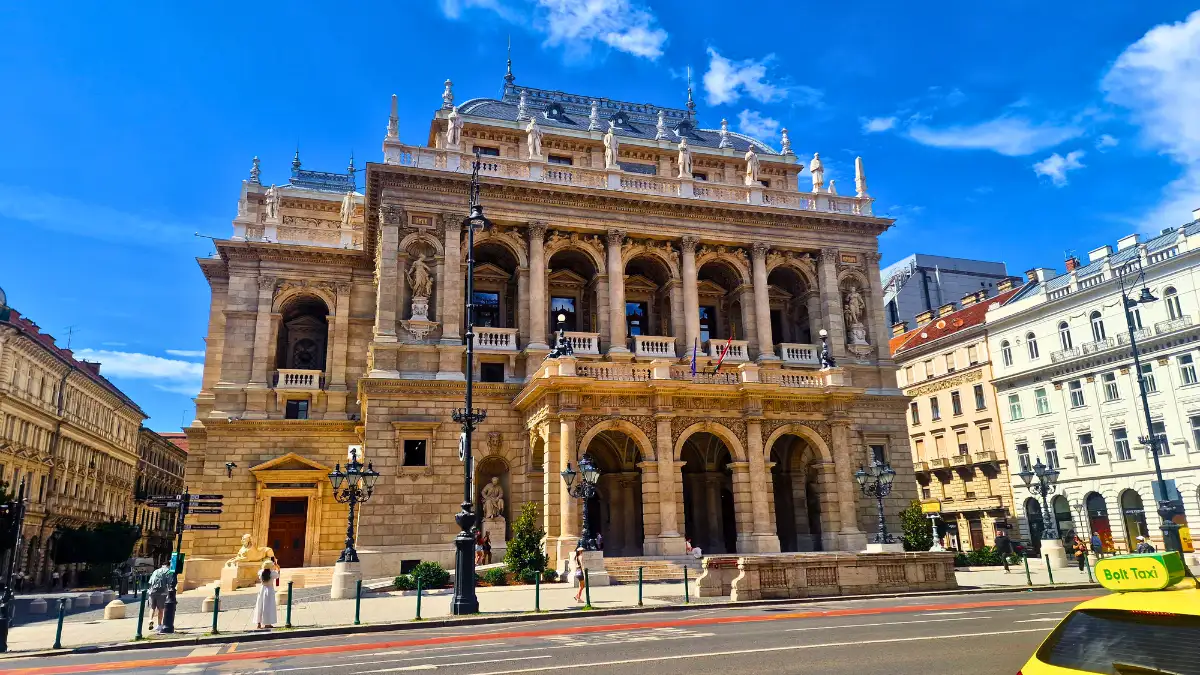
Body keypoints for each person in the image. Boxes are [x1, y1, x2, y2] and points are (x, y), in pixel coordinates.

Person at [252, 558, 279, 630]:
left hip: (262, 589)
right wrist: (277, 567)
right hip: (269, 590)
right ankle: (267, 623)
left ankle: (259, 623)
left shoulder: (261, 572)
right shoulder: (273, 573)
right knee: (268, 607)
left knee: (259, 605)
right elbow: (277, 575)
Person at [147, 561, 172, 632]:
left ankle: (150, 620)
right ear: (168, 565)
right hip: (162, 592)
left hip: (152, 591)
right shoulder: (168, 571)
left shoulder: (156, 571)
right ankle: (159, 625)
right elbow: (170, 583)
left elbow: (150, 581)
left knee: (152, 607)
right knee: (160, 609)